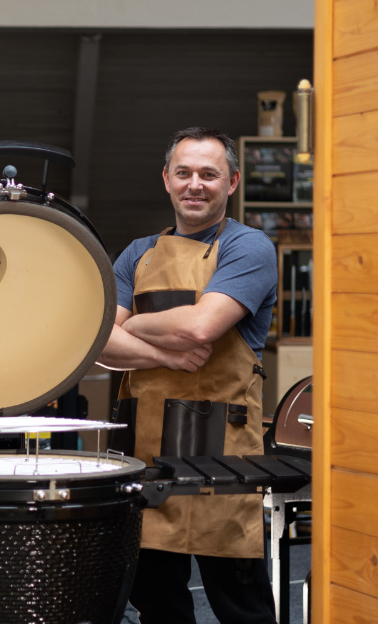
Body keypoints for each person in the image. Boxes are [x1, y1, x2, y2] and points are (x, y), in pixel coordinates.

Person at [98, 127, 278, 623]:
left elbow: (202, 327)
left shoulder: (249, 246)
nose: (194, 184)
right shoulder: (137, 253)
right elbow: (98, 344)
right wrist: (170, 356)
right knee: (158, 606)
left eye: (208, 174)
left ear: (231, 182)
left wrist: (134, 323)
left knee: (243, 609)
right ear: (166, 179)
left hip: (222, 458)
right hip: (144, 453)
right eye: (184, 173)